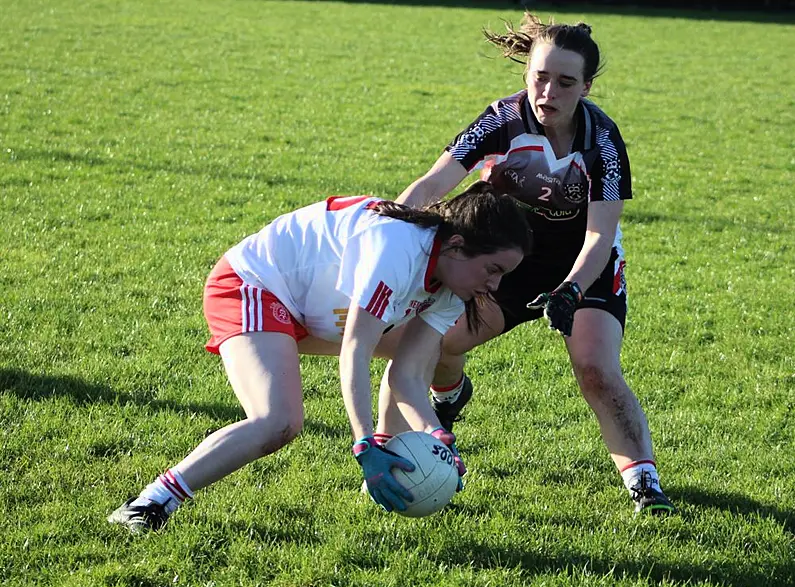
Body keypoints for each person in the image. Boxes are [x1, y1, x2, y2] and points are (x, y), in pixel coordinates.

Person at [108, 181, 532, 533]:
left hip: (318, 310)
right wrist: (363, 443)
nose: (493, 285)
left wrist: (435, 436)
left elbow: (406, 373)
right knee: (278, 421)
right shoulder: (398, 248)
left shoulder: (454, 288)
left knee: (427, 354)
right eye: (493, 269)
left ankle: (402, 438)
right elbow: (356, 349)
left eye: (503, 276)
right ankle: (150, 504)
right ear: (457, 246)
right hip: (254, 285)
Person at [394, 13, 675, 514]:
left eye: (566, 82)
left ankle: (645, 485)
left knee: (595, 369)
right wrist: (389, 230)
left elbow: (599, 234)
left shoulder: (602, 142)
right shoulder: (501, 119)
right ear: (527, 72)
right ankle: (450, 394)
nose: (549, 92)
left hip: (581, 266)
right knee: (440, 338)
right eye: (540, 77)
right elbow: (436, 182)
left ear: (587, 86)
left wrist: (570, 290)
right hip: (503, 259)